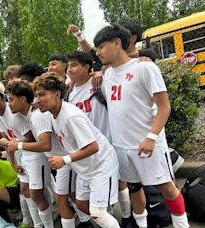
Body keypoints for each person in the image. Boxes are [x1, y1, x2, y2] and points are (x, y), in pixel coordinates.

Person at [93, 24, 189, 228]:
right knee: (134, 188)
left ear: (117, 43)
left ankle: (182, 225)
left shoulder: (145, 68)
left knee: (167, 188)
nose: (98, 52)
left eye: (101, 46)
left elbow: (164, 107)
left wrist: (151, 137)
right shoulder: (107, 74)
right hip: (122, 146)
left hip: (148, 144)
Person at [32, 72, 120, 228]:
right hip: (85, 169)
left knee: (98, 212)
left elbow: (93, 147)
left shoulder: (70, 116)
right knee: (81, 203)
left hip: (101, 165)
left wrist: (64, 160)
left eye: (42, 95)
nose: (38, 100)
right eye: (36, 95)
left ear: (57, 94)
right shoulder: (54, 115)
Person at [0, 80, 36, 228]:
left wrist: (12, 146)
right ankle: (29, 220)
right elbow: (6, 141)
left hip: (32, 153)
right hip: (20, 154)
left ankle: (41, 219)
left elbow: (30, 137)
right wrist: (12, 162)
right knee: (25, 189)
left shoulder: (13, 113)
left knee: (37, 190)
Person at [4, 80, 54, 228]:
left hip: (45, 157)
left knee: (38, 194)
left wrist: (17, 144)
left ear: (23, 99)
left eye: (11, 99)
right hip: (32, 156)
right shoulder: (25, 115)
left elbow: (45, 144)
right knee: (30, 192)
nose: (9, 104)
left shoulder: (37, 115)